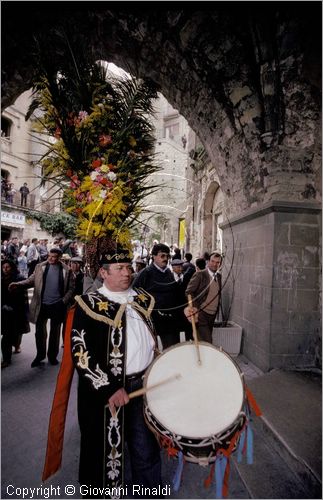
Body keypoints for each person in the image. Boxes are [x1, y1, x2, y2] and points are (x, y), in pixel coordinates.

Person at [42, 247, 162, 497]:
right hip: (104, 396)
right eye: (119, 269)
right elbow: (82, 354)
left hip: (144, 386)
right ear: (103, 273)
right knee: (102, 452)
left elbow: (164, 325)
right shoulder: (88, 305)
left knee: (146, 449)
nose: (127, 273)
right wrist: (109, 388)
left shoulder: (143, 299)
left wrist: (185, 314)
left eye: (129, 267)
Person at [9, 248, 75, 367]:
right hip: (41, 304)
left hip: (57, 305)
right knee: (40, 332)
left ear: (59, 257)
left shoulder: (67, 270)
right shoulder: (40, 267)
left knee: (55, 333)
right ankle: (40, 356)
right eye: (49, 256)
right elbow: (31, 281)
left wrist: (63, 301)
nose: (50, 258)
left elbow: (71, 288)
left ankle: (52, 356)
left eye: (54, 256)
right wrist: (18, 285)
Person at [132, 243, 181, 349]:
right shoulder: (145, 274)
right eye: (162, 256)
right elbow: (134, 293)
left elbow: (176, 294)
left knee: (171, 351)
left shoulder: (169, 273)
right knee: (152, 352)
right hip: (152, 320)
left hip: (169, 322)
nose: (165, 259)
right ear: (154, 256)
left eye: (167, 256)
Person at [184, 252, 222, 343]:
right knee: (208, 341)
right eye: (212, 261)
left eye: (217, 262)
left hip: (212, 315)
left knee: (202, 342)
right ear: (208, 262)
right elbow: (189, 291)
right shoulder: (200, 275)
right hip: (201, 314)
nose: (214, 264)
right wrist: (196, 308)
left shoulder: (219, 277)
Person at [1, 259, 30, 367]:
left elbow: (23, 295)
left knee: (17, 332)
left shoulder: (18, 278)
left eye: (7, 267)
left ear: (12, 268)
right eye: (3, 267)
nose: (5, 269)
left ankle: (17, 345)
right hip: (4, 311)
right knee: (6, 336)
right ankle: (6, 359)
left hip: (17, 311)